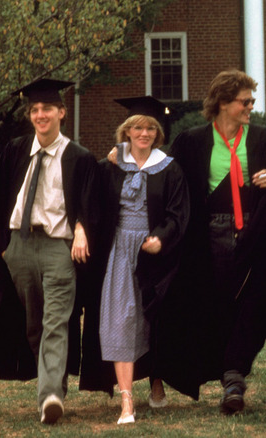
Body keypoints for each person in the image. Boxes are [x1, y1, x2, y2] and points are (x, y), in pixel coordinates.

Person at [0, 78, 99, 424]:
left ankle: (50, 395)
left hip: (58, 249)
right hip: (19, 248)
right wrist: (0, 249)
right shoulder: (16, 150)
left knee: (56, 321)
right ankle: (52, 383)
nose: (41, 115)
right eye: (35, 110)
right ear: (31, 115)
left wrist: (83, 228)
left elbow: (91, 201)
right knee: (34, 325)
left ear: (61, 113)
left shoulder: (79, 157)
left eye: (48, 109)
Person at [169, 70, 266, 415]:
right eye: (244, 102)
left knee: (253, 301)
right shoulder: (192, 141)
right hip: (209, 234)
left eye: (252, 101)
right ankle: (226, 375)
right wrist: (117, 157)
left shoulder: (262, 138)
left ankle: (234, 376)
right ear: (222, 103)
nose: (251, 107)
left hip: (253, 232)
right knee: (216, 303)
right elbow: (168, 177)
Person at [80, 96, 190, 424]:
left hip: (154, 253)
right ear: (126, 131)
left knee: (154, 320)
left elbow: (178, 212)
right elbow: (88, 203)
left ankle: (156, 379)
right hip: (118, 252)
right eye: (137, 127)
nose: (144, 133)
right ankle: (127, 401)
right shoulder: (110, 167)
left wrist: (163, 237)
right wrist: (80, 228)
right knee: (120, 322)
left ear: (158, 133)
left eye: (150, 128)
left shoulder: (168, 168)